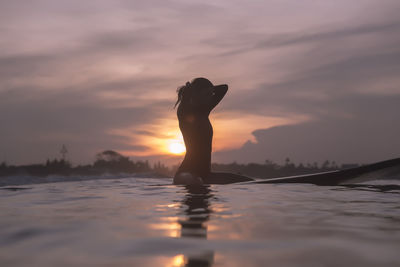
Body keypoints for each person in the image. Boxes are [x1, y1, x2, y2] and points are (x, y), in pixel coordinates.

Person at [173, 77, 254, 185]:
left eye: (211, 94)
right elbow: (188, 101)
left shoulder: (205, 110)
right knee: (195, 181)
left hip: (206, 175)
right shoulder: (184, 111)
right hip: (186, 173)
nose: (211, 97)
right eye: (207, 94)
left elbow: (224, 88)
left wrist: (207, 90)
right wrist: (190, 90)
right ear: (197, 94)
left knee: (250, 183)